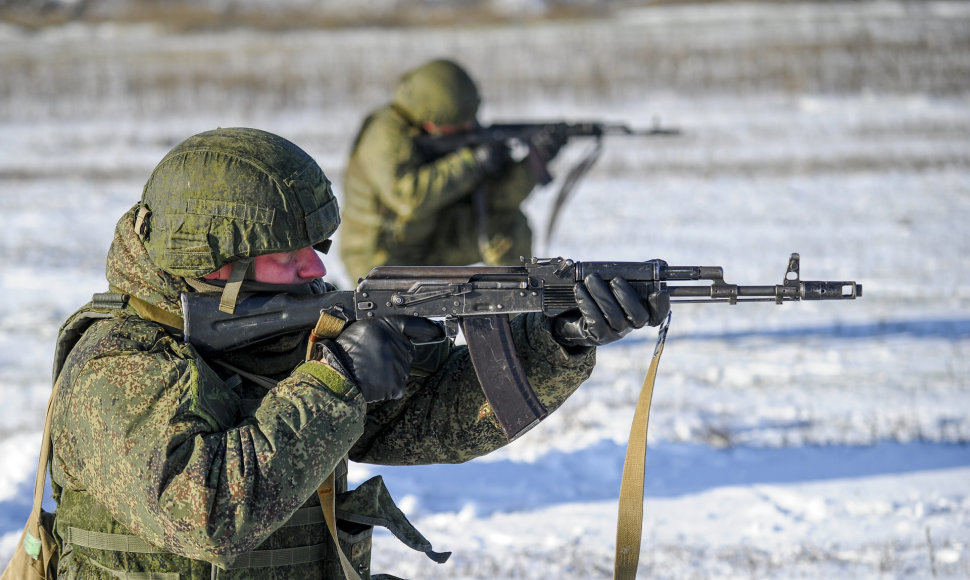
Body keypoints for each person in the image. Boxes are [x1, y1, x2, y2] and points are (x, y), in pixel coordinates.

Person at [47, 127, 668, 579]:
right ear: (215, 266)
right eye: (289, 253)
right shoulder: (115, 366)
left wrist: (558, 338)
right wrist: (336, 381)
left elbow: (431, 424)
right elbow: (206, 515)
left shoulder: (284, 328)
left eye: (316, 244)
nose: (317, 265)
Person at [340, 58, 568, 282]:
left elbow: (499, 199)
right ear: (432, 120)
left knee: (508, 227)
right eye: (458, 126)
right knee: (400, 319)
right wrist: (471, 163)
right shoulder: (384, 134)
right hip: (382, 256)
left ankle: (518, 312)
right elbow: (407, 198)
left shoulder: (457, 132)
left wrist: (533, 163)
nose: (468, 129)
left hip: (434, 240)